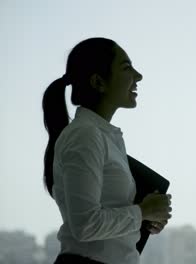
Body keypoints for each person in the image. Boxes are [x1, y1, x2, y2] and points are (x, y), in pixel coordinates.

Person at [42, 37, 172, 264]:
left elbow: (103, 218)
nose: (138, 76)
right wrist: (142, 212)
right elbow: (86, 225)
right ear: (98, 82)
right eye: (126, 67)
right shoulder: (85, 135)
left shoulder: (101, 136)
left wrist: (145, 217)